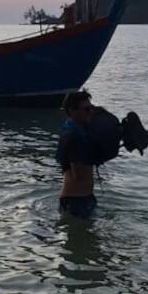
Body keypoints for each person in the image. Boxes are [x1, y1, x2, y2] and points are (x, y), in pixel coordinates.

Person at [57, 90, 97, 218]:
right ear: (72, 111)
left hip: (84, 197)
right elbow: (78, 175)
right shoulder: (73, 136)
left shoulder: (79, 129)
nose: (90, 112)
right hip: (75, 201)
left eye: (91, 108)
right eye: (86, 109)